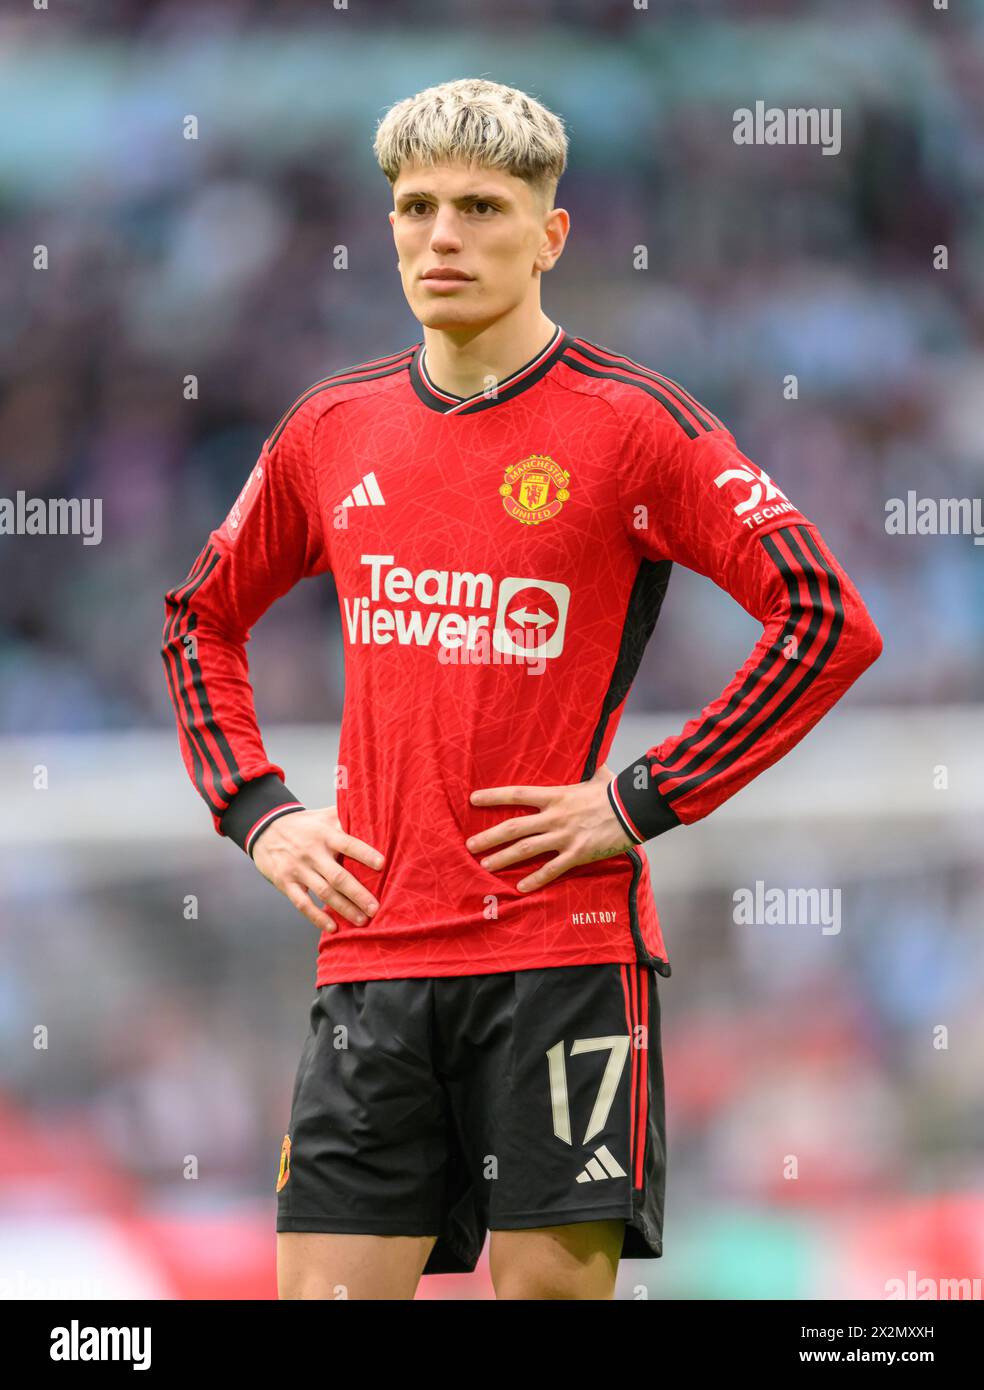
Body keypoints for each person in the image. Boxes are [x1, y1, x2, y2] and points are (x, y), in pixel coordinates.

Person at [161, 77, 883, 1300]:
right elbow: (198, 625)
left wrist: (642, 797)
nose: (443, 235)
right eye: (417, 206)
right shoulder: (331, 430)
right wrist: (259, 808)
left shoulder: (633, 426)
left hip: (563, 954)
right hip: (374, 958)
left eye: (482, 207)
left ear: (550, 234)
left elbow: (824, 620)